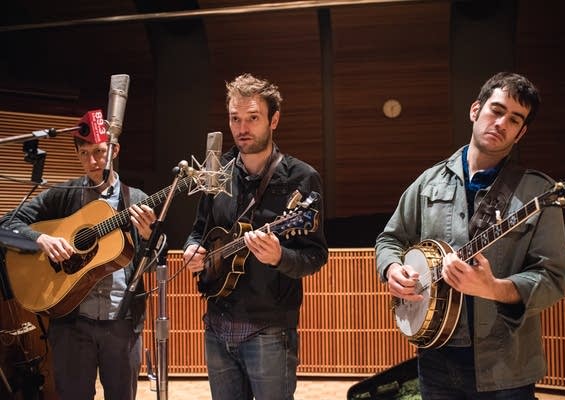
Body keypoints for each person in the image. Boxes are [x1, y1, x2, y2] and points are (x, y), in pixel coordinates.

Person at [375, 72, 565, 399]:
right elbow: (389, 239)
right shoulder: (428, 182)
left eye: (514, 119)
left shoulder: (539, 192)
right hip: (436, 355)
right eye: (496, 110)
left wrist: (494, 288)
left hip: (507, 363)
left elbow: (553, 279)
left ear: (520, 133)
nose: (501, 123)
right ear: (475, 110)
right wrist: (392, 269)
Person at [183, 73, 328, 400]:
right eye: (235, 119)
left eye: (252, 118)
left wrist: (280, 257)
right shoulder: (215, 171)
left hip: (270, 330)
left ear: (274, 120)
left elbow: (316, 255)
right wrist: (192, 248)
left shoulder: (302, 178)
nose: (242, 128)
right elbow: (199, 230)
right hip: (217, 325)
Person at [2, 131, 157, 400]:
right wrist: (41, 239)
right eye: (84, 153)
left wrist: (147, 238)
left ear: (114, 151)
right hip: (72, 323)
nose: (92, 160)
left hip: (121, 322)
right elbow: (6, 225)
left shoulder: (137, 200)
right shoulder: (64, 195)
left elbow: (155, 265)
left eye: (98, 151)